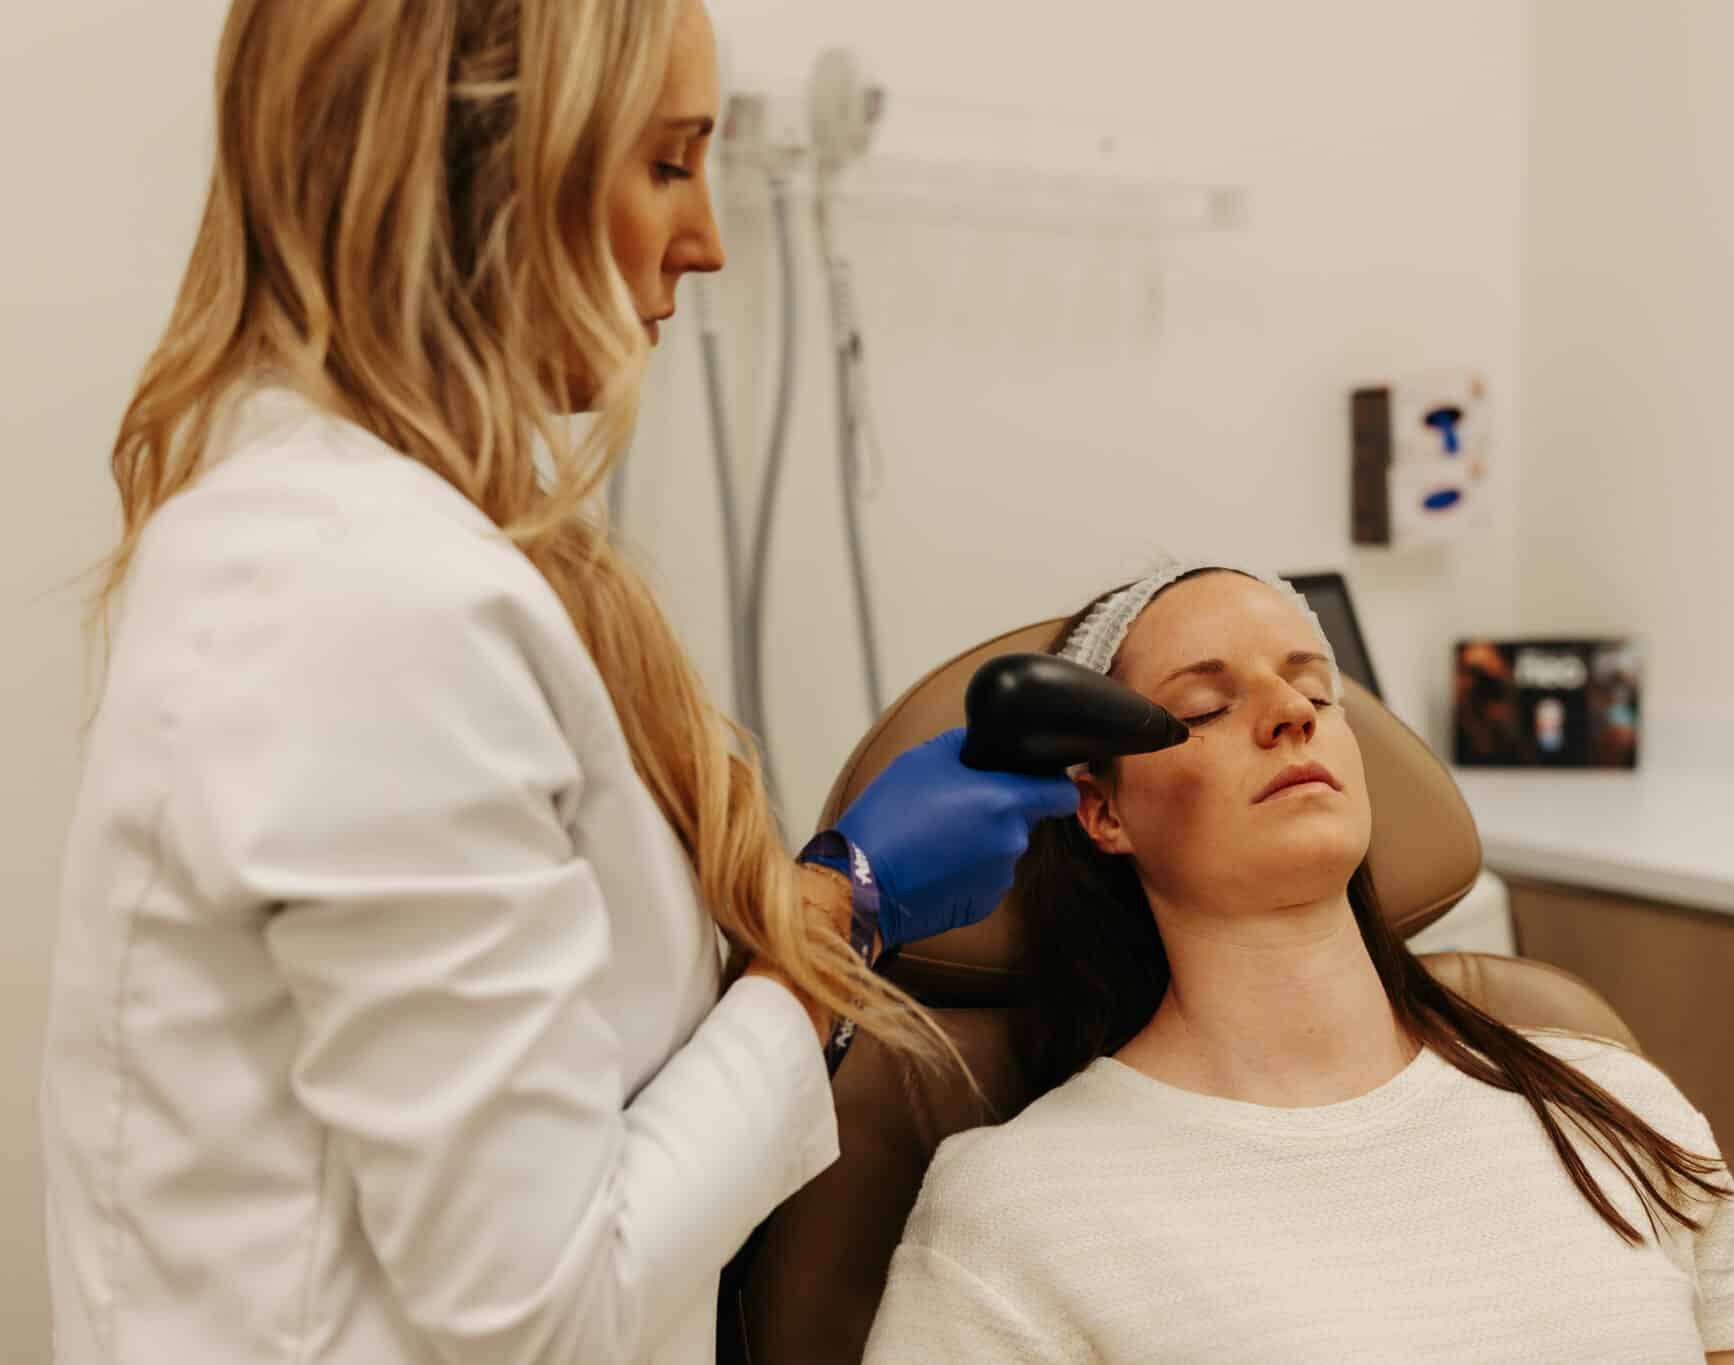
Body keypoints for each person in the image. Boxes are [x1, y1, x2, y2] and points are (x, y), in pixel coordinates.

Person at [41, 3, 1074, 1363]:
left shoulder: (374, 551)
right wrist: (847, 910)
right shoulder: (365, 593)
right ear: (481, 166)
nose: (706, 239)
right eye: (667, 162)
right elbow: (541, 1298)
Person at [863, 565, 1734, 1364]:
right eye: (1205, 706)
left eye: (1317, 690)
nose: (1290, 714)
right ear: (1104, 811)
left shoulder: (1608, 1101)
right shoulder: (1018, 1211)